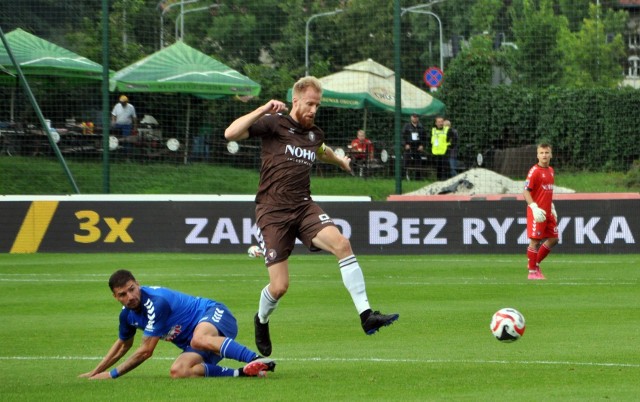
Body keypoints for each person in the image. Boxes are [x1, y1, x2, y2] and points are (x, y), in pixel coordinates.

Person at [224, 76, 399, 357]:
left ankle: (366, 315)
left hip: (304, 207)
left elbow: (320, 149)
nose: (314, 110)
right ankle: (262, 319)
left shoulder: (314, 133)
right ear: (295, 101)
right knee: (279, 287)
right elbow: (230, 134)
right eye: (309, 104)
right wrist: (262, 109)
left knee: (342, 244)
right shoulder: (274, 123)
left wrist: (340, 160)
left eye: (317, 105)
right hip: (272, 211)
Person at [79, 269, 275, 380]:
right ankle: (243, 373)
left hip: (214, 315)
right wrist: (95, 373)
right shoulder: (127, 316)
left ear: (138, 284)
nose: (130, 297)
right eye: (123, 294)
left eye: (132, 289)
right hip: (197, 342)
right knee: (179, 371)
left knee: (199, 339)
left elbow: (146, 351)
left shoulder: (155, 303)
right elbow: (122, 345)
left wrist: (112, 375)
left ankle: (257, 359)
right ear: (115, 297)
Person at [523, 143, 559, 280]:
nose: (544, 155)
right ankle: (532, 272)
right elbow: (526, 191)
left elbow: (546, 191)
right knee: (535, 241)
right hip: (537, 212)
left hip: (547, 211)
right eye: (541, 153)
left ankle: (534, 262)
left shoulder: (550, 170)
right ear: (537, 155)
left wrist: (552, 206)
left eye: (546, 152)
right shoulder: (534, 172)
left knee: (554, 239)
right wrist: (533, 207)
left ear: (551, 155)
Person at [402, 113, 427, 179]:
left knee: (418, 162)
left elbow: (425, 138)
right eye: (413, 117)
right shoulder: (406, 126)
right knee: (405, 160)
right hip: (409, 147)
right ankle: (404, 176)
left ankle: (417, 178)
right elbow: (402, 137)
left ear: (418, 118)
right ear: (411, 117)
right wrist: (405, 144)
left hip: (417, 148)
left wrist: (422, 145)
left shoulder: (421, 127)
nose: (415, 118)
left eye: (416, 117)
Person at [430, 116, 450, 181]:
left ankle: (446, 182)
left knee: (445, 169)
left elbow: (452, 140)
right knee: (438, 169)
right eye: (439, 122)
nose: (440, 123)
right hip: (435, 153)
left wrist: (448, 147)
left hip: (445, 153)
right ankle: (438, 182)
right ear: (436, 123)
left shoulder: (447, 130)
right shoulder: (433, 130)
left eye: (441, 121)